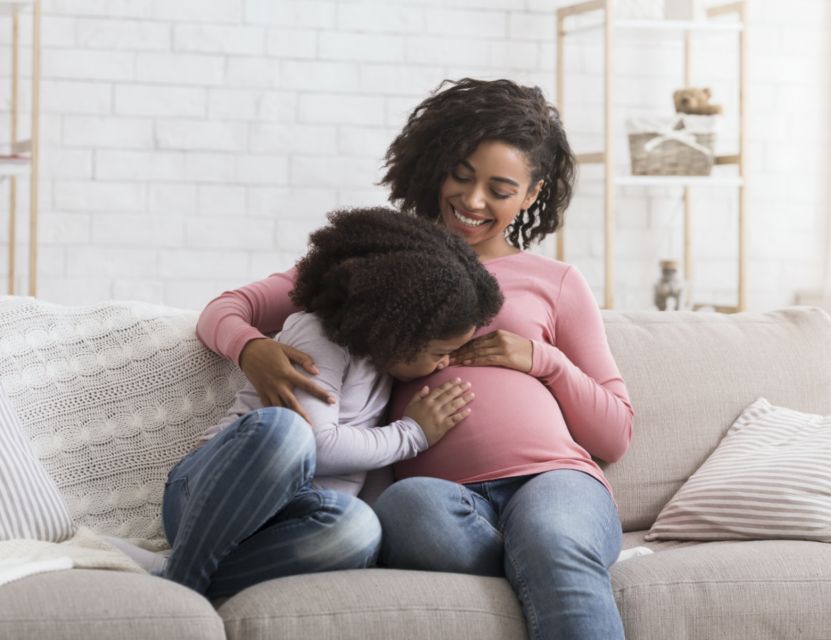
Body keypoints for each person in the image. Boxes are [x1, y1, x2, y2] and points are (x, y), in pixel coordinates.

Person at [196, 78, 634, 638]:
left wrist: (543, 360)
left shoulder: (558, 282)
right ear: (436, 162)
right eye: (462, 174)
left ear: (530, 195)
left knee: (552, 535)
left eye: (500, 189)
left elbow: (615, 433)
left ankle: (548, 555)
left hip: (553, 477)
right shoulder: (375, 264)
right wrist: (251, 349)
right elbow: (227, 308)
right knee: (405, 512)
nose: (473, 201)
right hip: (434, 497)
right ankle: (539, 566)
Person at [163, 206, 503, 599]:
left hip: (281, 523)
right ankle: (182, 585)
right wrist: (413, 434)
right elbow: (319, 445)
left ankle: (185, 573)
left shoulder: (391, 374)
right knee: (287, 431)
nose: (445, 363)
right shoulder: (318, 335)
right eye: (440, 351)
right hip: (211, 495)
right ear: (397, 333)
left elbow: (373, 478)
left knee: (360, 530)